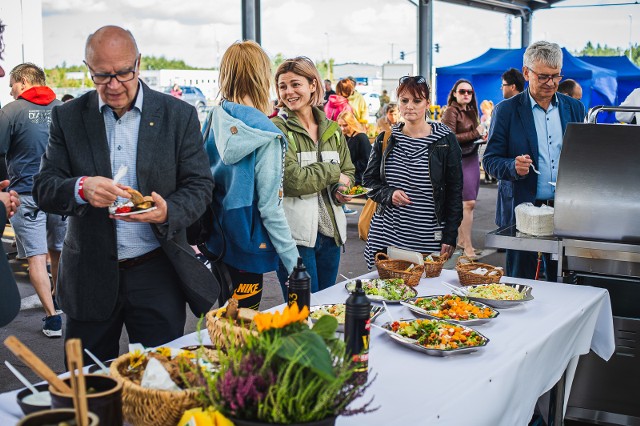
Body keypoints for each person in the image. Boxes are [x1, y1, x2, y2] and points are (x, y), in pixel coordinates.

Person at [32, 26, 217, 363]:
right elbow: (44, 187)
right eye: (102, 75)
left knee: (162, 379)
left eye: (122, 73)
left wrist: (167, 211)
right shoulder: (67, 117)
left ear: (139, 63)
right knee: (88, 386)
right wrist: (80, 188)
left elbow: (200, 185)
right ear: (88, 68)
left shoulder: (178, 115)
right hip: (88, 272)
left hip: (156, 270)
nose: (114, 85)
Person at [203, 40, 298, 310]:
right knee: (243, 332)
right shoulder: (266, 132)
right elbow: (271, 207)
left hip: (217, 237)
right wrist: (293, 262)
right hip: (247, 243)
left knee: (227, 323)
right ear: (261, 77)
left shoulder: (214, 117)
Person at [483, 41, 586, 280]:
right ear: (527, 73)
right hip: (522, 212)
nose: (551, 83)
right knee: (521, 282)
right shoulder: (506, 111)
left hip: (563, 211)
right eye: (543, 77)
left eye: (556, 76)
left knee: (564, 282)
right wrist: (512, 166)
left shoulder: (575, 108)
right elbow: (490, 160)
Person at [272, 56, 355, 294]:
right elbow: (292, 180)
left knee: (326, 309)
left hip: (331, 235)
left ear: (312, 85)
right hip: (295, 238)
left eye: (295, 84)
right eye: (283, 86)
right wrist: (333, 173)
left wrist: (342, 191)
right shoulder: (277, 128)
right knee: (303, 311)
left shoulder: (333, 129)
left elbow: (349, 172)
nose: (289, 92)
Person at [363, 75, 462, 268]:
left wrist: (450, 236)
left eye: (417, 101)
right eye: (404, 100)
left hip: (430, 239)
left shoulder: (445, 140)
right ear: (398, 103)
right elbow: (369, 182)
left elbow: (455, 192)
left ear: (427, 103)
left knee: (429, 294)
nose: (410, 106)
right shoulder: (386, 139)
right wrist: (389, 194)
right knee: (389, 294)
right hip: (388, 238)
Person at [0, 63, 67, 337]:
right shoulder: (64, 109)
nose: (11, 90)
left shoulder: (10, 112)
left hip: (26, 194)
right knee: (59, 249)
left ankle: (52, 318)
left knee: (37, 258)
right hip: (60, 193)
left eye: (13, 85)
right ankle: (58, 296)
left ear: (25, 82)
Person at [441, 79, 485, 259]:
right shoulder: (451, 111)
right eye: (462, 91)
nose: (466, 94)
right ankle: (467, 246)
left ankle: (462, 240)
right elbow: (448, 138)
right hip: (458, 160)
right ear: (454, 94)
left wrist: (482, 136)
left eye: (469, 92)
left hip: (472, 157)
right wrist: (476, 133)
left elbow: (473, 134)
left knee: (469, 203)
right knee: (467, 204)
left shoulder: (472, 111)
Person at [337, 109, 371, 189]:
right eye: (339, 125)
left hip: (360, 176)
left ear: (351, 123)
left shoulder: (361, 137)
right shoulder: (344, 137)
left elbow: (366, 161)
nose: (342, 128)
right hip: (347, 173)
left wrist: (348, 167)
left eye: (345, 125)